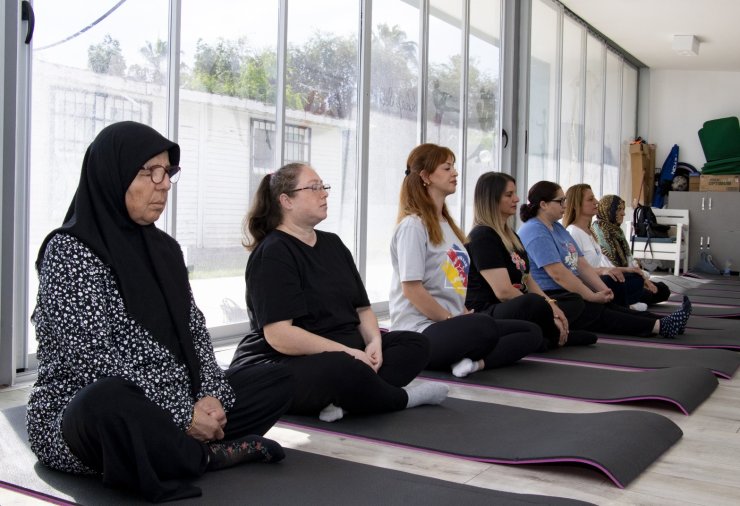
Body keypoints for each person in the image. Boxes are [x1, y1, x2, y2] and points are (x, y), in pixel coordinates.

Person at [27, 122, 293, 503]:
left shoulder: (165, 249)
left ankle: (178, 447)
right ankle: (203, 453)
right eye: (148, 171)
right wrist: (182, 415)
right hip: (85, 414)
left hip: (178, 396)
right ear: (113, 174)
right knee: (107, 401)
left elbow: (196, 333)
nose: (163, 183)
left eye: (167, 171)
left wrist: (210, 396)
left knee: (276, 381)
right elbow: (92, 363)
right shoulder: (71, 251)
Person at [231, 163, 447, 424]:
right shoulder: (274, 252)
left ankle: (346, 399)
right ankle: (401, 399)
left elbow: (363, 309)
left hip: (346, 350)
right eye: (314, 187)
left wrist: (373, 342)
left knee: (415, 344)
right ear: (286, 201)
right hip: (287, 360)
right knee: (341, 368)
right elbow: (280, 336)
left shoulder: (333, 243)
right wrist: (346, 353)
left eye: (324, 187)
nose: (324, 194)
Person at [390, 144, 544, 378]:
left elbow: (453, 283)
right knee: (482, 326)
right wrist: (453, 319)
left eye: (454, 167)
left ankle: (475, 363)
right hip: (419, 331)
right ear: (425, 176)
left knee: (531, 332)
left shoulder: (448, 227)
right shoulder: (413, 226)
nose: (455, 173)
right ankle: (460, 350)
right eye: (447, 167)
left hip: (454, 324)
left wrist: (461, 313)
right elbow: (412, 289)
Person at [517, 180, 691, 339]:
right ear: (544, 205)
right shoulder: (535, 231)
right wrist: (591, 295)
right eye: (560, 201)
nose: (565, 204)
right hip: (551, 295)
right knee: (595, 310)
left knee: (610, 306)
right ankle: (659, 326)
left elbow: (582, 264)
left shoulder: (556, 228)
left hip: (567, 291)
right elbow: (558, 274)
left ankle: (663, 322)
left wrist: (604, 291)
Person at [465, 172, 597, 349]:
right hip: (489, 309)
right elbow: (503, 292)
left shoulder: (510, 235)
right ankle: (553, 333)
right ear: (492, 199)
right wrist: (546, 309)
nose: (517, 199)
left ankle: (550, 334)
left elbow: (527, 278)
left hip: (517, 304)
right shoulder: (482, 237)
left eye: (515, 193)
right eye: (509, 195)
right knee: (533, 303)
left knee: (574, 300)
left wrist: (551, 305)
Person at [563, 184, 648, 310]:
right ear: (576, 205)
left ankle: (625, 306)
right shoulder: (573, 232)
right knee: (614, 281)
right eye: (590, 199)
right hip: (589, 283)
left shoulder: (590, 232)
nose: (596, 202)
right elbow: (576, 271)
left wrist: (628, 270)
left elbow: (601, 266)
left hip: (600, 277)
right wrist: (606, 271)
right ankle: (625, 309)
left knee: (636, 278)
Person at [591, 194, 670, 306]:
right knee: (647, 289)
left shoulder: (617, 231)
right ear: (609, 210)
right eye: (619, 209)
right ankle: (630, 301)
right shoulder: (600, 232)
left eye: (623, 209)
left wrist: (645, 281)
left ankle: (633, 298)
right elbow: (609, 268)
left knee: (663, 289)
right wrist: (640, 278)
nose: (623, 213)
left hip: (627, 276)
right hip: (612, 280)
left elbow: (630, 260)